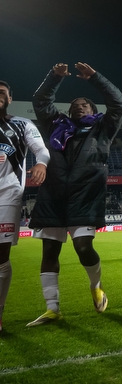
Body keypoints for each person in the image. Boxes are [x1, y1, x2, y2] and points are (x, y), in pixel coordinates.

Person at [27, 62, 122, 326]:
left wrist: (95, 77)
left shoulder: (103, 128)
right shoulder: (55, 126)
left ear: (93, 110)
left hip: (86, 196)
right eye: (75, 105)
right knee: (49, 252)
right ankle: (52, 308)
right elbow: (41, 101)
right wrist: (54, 77)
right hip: (53, 196)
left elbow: (118, 103)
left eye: (85, 105)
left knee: (83, 247)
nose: (79, 106)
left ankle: (96, 286)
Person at [0, 80, 50, 332]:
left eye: (2, 92)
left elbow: (42, 150)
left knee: (1, 257)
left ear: (10, 99)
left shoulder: (22, 124)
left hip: (7, 194)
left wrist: (41, 164)